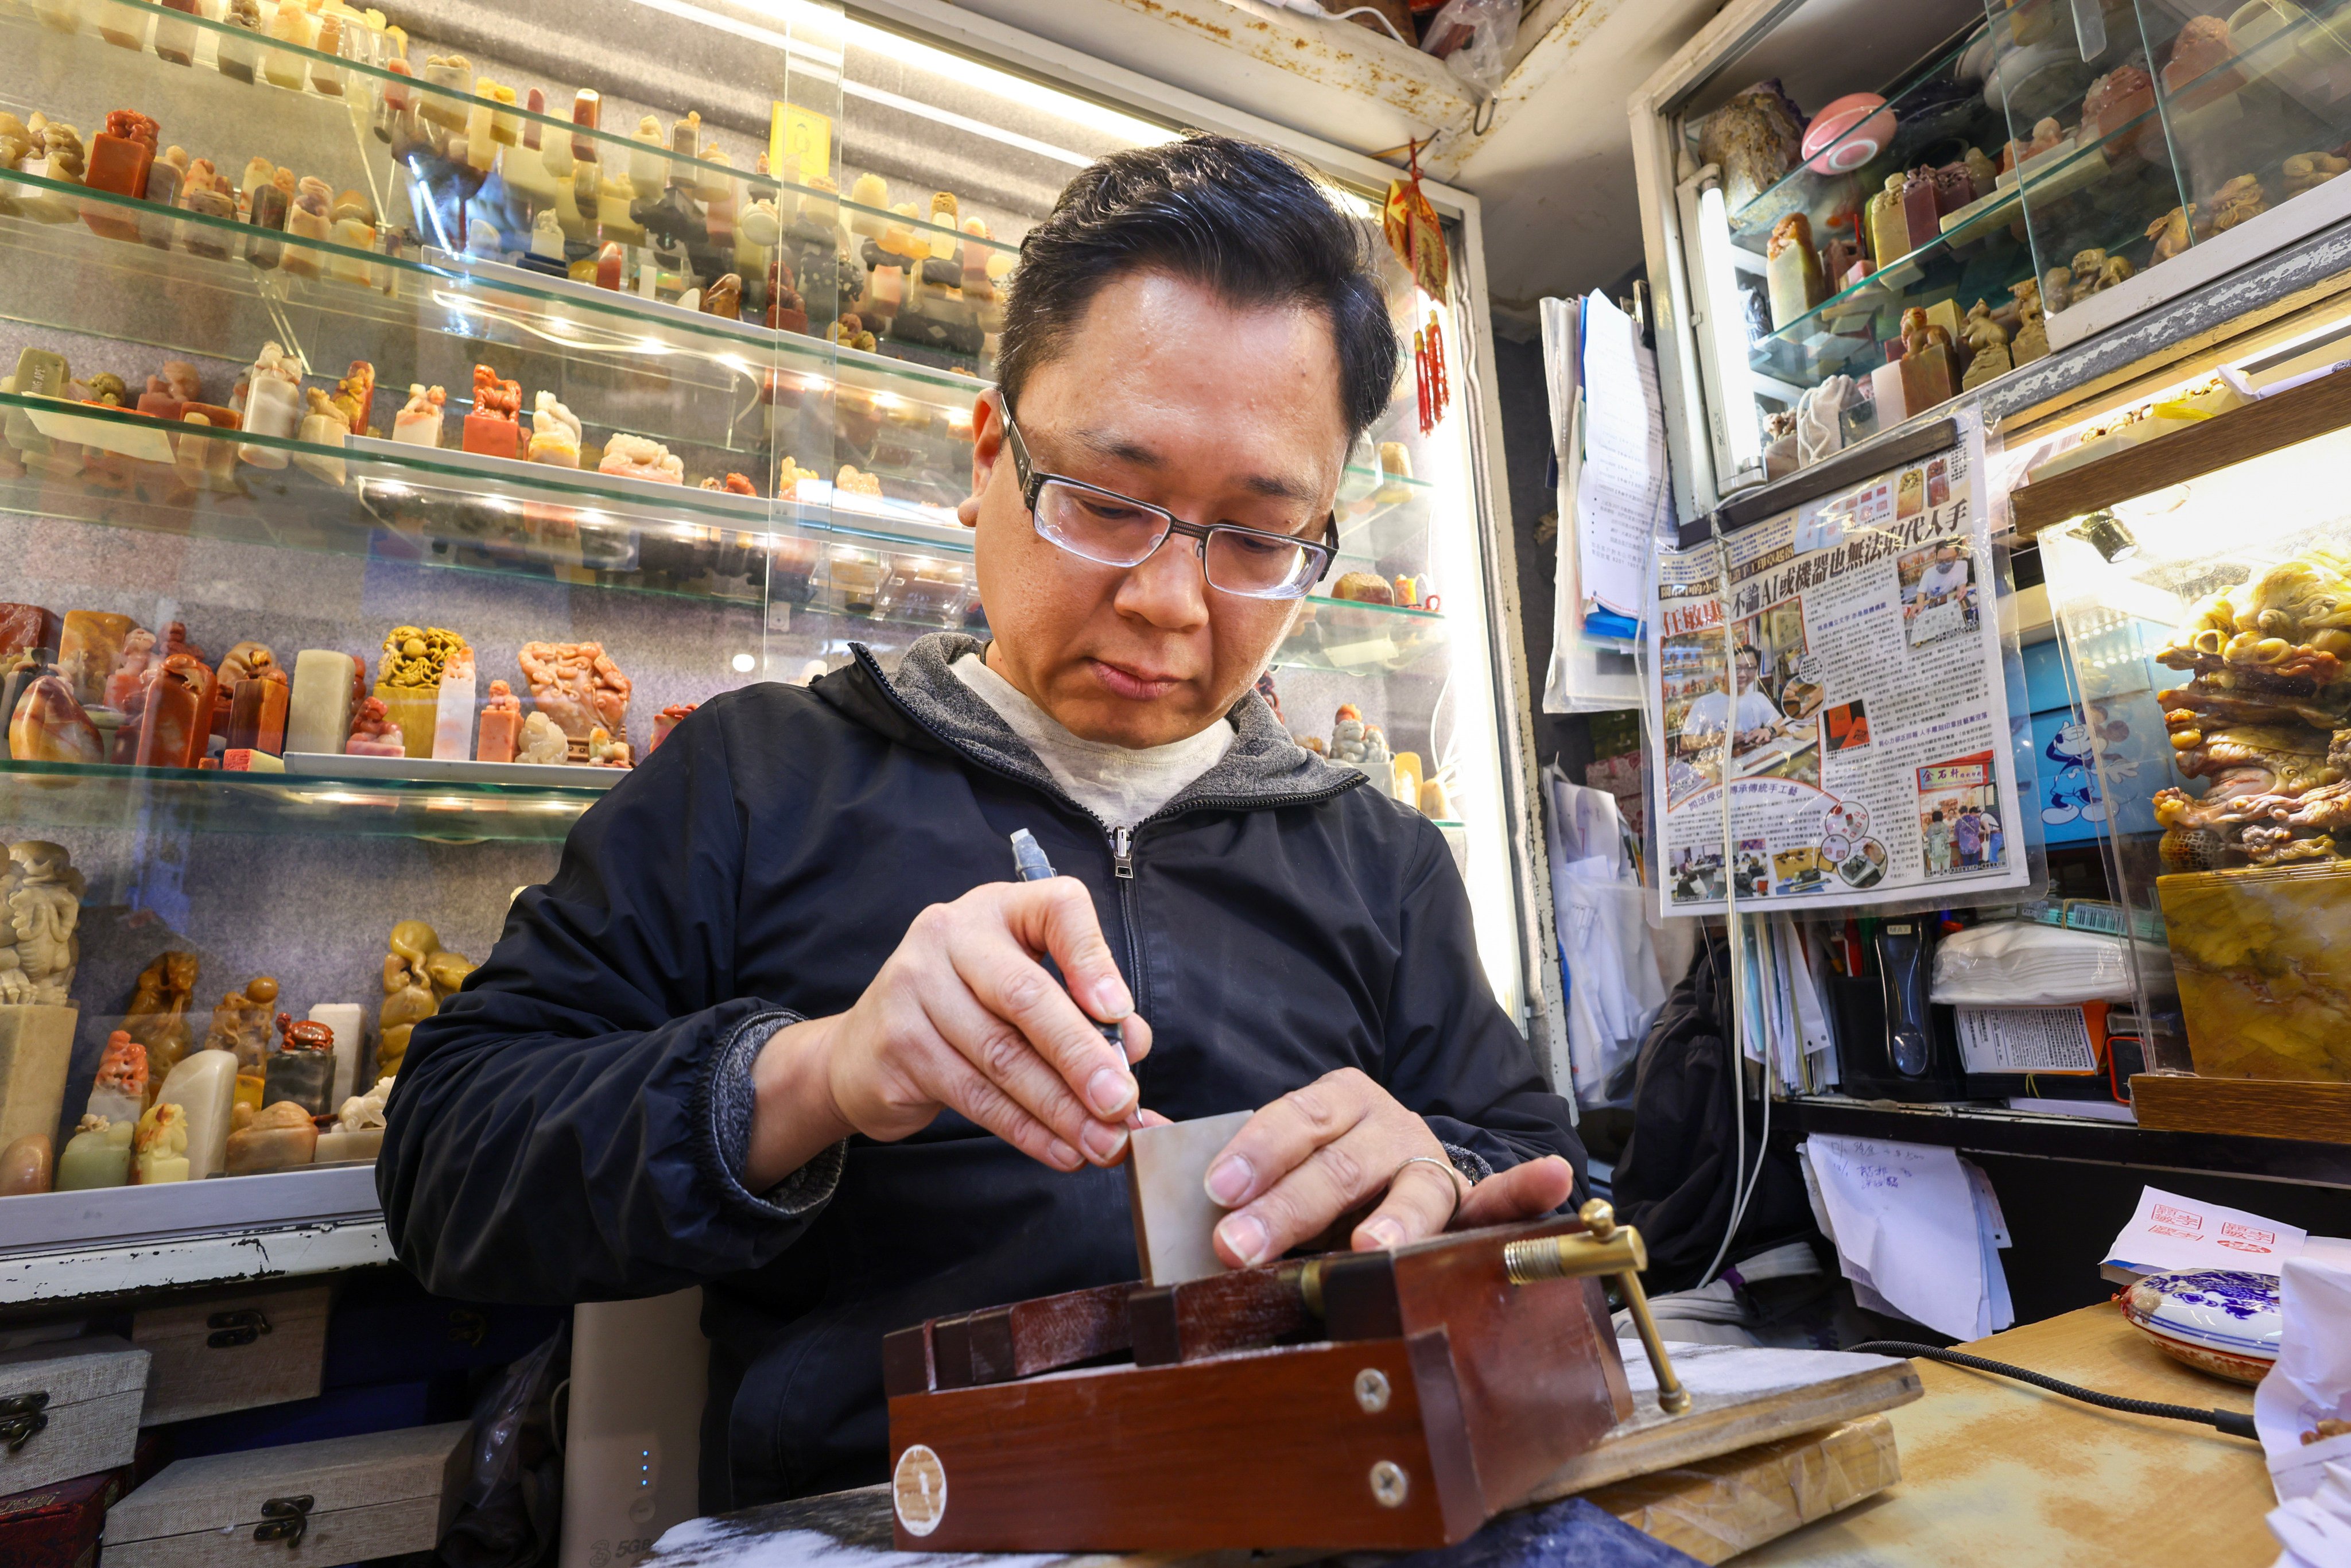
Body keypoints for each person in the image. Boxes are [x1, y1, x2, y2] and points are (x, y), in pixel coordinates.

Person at [378, 136, 1584, 1510]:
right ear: (988, 455)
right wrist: (817, 1075)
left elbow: (1542, 1173)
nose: (1174, 603)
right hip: (904, 1523)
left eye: (1256, 538)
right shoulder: (759, 781)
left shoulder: (1381, 860)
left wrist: (1442, 1173)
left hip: (1334, 1501)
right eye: (1109, 502)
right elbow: (446, 1160)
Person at [1681, 645, 1783, 753]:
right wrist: (1713, 739)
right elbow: (1684, 742)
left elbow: (1781, 724)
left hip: (1752, 764)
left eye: (1750, 668)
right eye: (1737, 668)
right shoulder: (1703, 703)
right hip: (1717, 767)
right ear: (1726, 670)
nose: (1743, 674)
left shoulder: (1759, 698)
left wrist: (1769, 731)